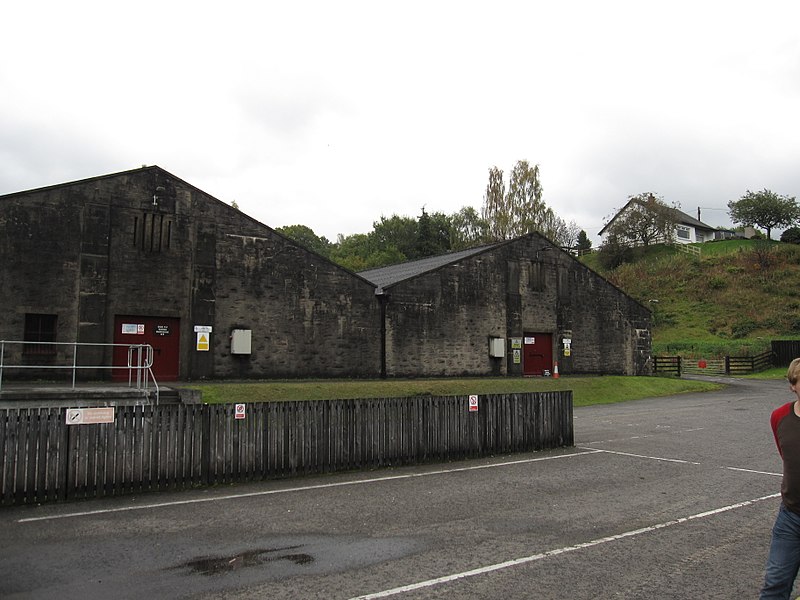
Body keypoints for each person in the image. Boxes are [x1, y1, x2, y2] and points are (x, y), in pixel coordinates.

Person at [761, 357, 800, 599]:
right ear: (793, 385)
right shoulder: (779, 417)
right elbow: (788, 456)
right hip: (791, 515)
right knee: (774, 583)